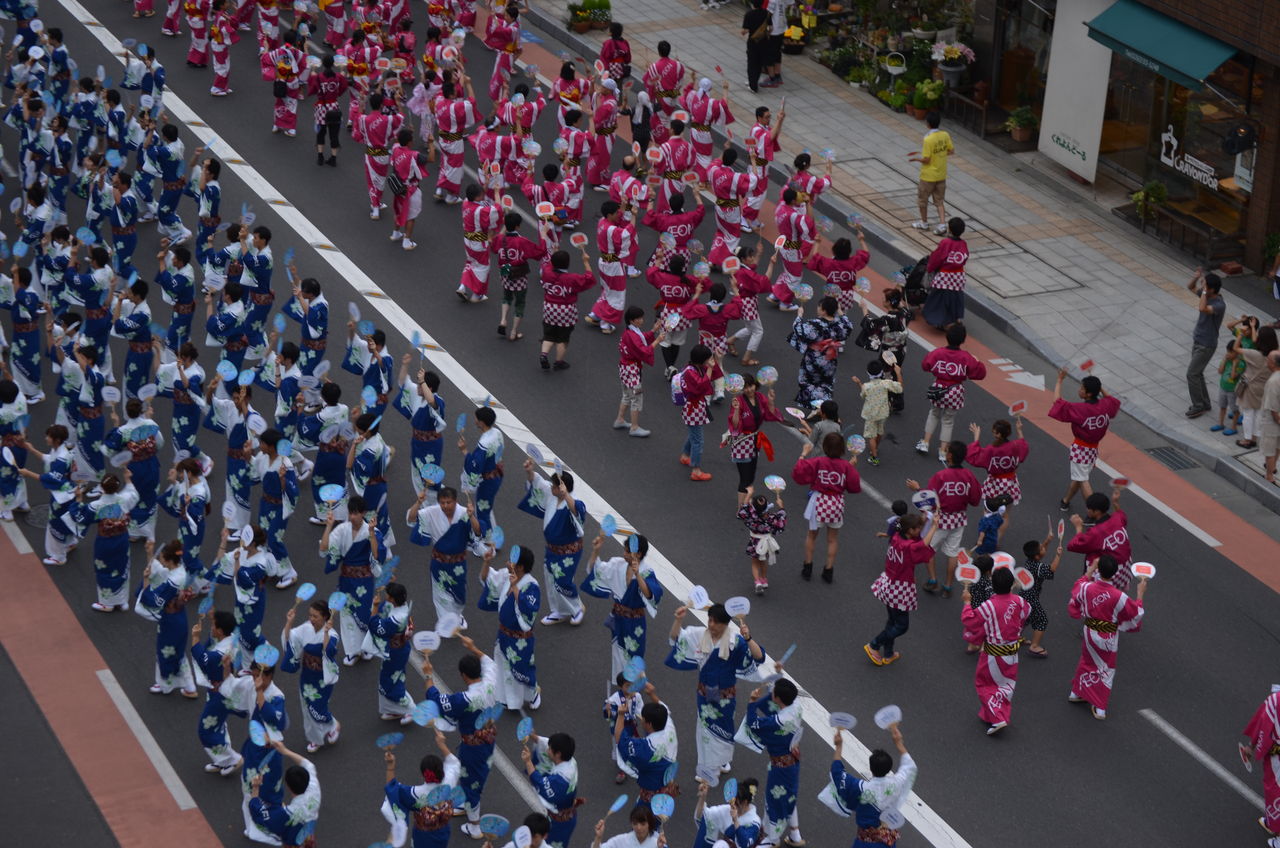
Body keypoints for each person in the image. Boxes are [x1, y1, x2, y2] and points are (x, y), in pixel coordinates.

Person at [666, 603, 765, 776]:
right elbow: (676, 638)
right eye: (710, 620)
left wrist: (748, 638)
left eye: (716, 622)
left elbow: (759, 657)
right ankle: (707, 766)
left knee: (724, 729)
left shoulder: (736, 642)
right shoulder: (699, 635)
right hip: (704, 695)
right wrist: (678, 620)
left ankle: (722, 760)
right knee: (704, 730)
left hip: (726, 696)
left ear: (725, 624)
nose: (711, 624)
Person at [420, 635, 499, 840]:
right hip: (488, 740)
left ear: (464, 675)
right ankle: (466, 804)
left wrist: (428, 675)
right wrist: (474, 647)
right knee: (470, 777)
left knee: (472, 782)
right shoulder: (490, 681)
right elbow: (488, 662)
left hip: (473, 748)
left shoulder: (465, 699)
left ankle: (474, 826)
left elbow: (436, 700)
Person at [1067, 554, 1149, 721]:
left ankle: (1076, 692)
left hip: (1089, 631)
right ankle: (1099, 707)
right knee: (1106, 670)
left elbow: (1077, 587)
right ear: (1115, 573)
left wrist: (1091, 568)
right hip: (1107, 637)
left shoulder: (1087, 588)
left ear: (1099, 569)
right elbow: (1135, 613)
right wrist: (1140, 595)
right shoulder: (1118, 596)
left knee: (1087, 660)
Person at [581, 532, 663, 680]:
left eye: (627, 551)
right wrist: (596, 550)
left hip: (635, 622)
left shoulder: (646, 571)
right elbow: (596, 571)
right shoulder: (617, 565)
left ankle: (633, 690)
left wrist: (637, 575)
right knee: (618, 653)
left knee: (634, 654)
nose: (623, 553)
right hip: (619, 618)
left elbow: (650, 594)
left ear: (638, 554)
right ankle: (622, 687)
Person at [960, 568, 1030, 735]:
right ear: (1012, 584)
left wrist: (967, 602)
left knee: (984, 683)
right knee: (1006, 684)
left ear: (993, 584)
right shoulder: (1020, 601)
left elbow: (970, 621)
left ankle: (997, 717)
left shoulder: (990, 605)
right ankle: (994, 713)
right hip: (1012, 652)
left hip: (993, 653)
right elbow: (1027, 612)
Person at [518, 462, 587, 627]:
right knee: (550, 578)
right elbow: (538, 484)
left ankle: (577, 608)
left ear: (563, 488)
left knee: (562, 579)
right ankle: (559, 610)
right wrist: (530, 471)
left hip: (569, 551)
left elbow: (578, 512)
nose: (551, 488)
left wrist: (566, 496)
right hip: (552, 549)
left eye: (555, 486)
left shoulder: (574, 501)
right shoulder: (552, 495)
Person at [907, 440, 979, 598]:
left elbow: (929, 500)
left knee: (928, 549)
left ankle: (933, 581)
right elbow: (975, 500)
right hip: (959, 520)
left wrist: (917, 488)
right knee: (952, 553)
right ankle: (947, 586)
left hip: (940, 520)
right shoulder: (969, 476)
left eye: (947, 451)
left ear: (951, 455)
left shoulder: (941, 476)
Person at [825, 723, 917, 846]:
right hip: (887, 841)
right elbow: (909, 767)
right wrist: (898, 743)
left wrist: (839, 746)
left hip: (865, 843)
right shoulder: (897, 783)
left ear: (871, 768)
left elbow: (837, 773)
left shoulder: (860, 788)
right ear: (889, 768)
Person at [865, 512, 937, 666]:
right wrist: (934, 527)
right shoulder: (908, 546)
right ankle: (874, 644)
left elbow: (917, 540)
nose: (919, 530)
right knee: (902, 625)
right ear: (909, 530)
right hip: (899, 587)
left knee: (892, 621)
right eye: (916, 528)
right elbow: (923, 544)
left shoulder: (897, 537)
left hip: (889, 582)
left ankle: (889, 653)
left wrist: (925, 521)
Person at [740, 678, 805, 846]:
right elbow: (778, 696)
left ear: (778, 699)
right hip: (792, 760)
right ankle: (794, 834)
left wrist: (752, 702)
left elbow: (753, 724)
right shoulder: (796, 707)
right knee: (788, 796)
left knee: (774, 801)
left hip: (780, 768)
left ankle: (771, 838)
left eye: (773, 693)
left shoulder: (780, 720)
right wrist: (776, 677)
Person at [478, 544, 542, 710]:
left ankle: (532, 693)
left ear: (520, 567)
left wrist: (514, 587)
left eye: (512, 561)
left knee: (521, 669)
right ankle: (508, 698)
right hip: (503, 634)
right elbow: (488, 581)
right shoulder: (507, 575)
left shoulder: (532, 586)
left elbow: (529, 609)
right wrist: (486, 563)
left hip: (520, 638)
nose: (507, 562)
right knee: (504, 668)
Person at [792, 431, 861, 583]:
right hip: (836, 503)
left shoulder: (818, 462)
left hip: (819, 501)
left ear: (825, 447)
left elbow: (799, 473)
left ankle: (808, 567)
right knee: (832, 539)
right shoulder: (845, 466)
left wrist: (803, 454)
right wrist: (851, 467)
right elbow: (854, 486)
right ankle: (828, 570)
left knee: (811, 535)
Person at [1048, 371, 1123, 511]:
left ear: (1088, 394)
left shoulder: (1080, 409)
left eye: (1082, 388)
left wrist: (1059, 380)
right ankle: (1065, 501)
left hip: (1080, 449)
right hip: (1093, 450)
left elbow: (1057, 402)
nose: (1079, 390)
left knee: (1082, 479)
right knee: (1079, 477)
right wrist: (1098, 386)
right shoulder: (1105, 405)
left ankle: (1094, 512)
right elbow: (1112, 400)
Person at [134, 539, 197, 697]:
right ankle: (190, 687)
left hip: (170, 622)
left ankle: (165, 685)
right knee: (179, 653)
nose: (160, 560)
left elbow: (155, 600)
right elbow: (162, 572)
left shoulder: (174, 581)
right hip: (180, 618)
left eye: (162, 558)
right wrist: (150, 553)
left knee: (165, 652)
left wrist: (147, 580)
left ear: (170, 560)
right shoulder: (180, 571)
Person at [380, 727, 462, 847]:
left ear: (424, 774)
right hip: (443, 833)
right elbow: (454, 763)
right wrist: (441, 744)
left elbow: (392, 789)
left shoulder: (416, 794)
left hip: (423, 838)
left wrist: (390, 765)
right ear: (441, 770)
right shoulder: (450, 782)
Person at [72, 470, 140, 612]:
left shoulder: (96, 505)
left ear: (102, 488)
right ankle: (122, 601)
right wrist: (128, 479)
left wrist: (78, 499)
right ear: (117, 487)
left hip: (105, 542)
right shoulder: (124, 499)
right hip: (122, 539)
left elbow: (79, 516)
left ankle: (107, 603)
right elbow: (134, 494)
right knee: (122, 567)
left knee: (104, 569)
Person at [280, 599, 341, 753]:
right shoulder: (306, 628)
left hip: (323, 678)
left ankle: (332, 724)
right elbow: (291, 640)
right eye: (310, 615)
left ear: (325, 617)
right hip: (308, 675)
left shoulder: (332, 634)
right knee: (307, 709)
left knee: (318, 707)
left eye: (315, 616)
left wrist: (326, 632)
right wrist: (289, 623)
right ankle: (316, 738)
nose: (311, 619)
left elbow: (329, 651)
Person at [191, 609, 242, 775]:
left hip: (220, 694)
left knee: (205, 729)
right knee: (218, 725)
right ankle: (222, 760)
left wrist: (195, 638)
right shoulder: (231, 641)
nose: (211, 628)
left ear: (220, 631)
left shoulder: (218, 654)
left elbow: (203, 658)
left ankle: (232, 759)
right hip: (225, 689)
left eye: (213, 625)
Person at [247, 739, 322, 848]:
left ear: (287, 785)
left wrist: (255, 787)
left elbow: (258, 812)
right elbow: (308, 764)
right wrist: (285, 751)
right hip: (308, 833)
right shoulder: (314, 787)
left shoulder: (286, 815)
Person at [613, 685, 678, 807]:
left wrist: (621, 715)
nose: (641, 720)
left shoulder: (644, 748)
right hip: (667, 779)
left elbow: (621, 740)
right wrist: (652, 694)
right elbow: (664, 708)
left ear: (648, 724)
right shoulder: (669, 726)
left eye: (642, 718)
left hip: (652, 791)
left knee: (647, 821)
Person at [965, 418, 1027, 539]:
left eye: (994, 432)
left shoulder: (991, 450)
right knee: (1005, 516)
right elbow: (1023, 447)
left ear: (998, 434)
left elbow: (975, 457)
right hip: (1011, 483)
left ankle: (985, 539)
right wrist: (1019, 430)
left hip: (994, 484)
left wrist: (976, 438)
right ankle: (996, 540)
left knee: (988, 512)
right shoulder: (1015, 446)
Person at [538, 246, 597, 371]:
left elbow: (548, 264)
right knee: (563, 337)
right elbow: (590, 279)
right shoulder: (572, 278)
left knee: (549, 334)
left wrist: (554, 253)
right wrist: (586, 262)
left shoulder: (546, 273)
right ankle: (559, 362)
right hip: (566, 310)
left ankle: (544, 355)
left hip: (549, 308)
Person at [788, 295, 854, 406]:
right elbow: (849, 326)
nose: (817, 308)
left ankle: (816, 406)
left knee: (809, 381)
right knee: (826, 382)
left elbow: (798, 329)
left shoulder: (814, 324)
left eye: (819, 307)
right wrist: (839, 310)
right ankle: (825, 404)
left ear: (823, 310)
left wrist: (799, 315)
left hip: (814, 358)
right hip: (830, 359)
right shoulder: (838, 324)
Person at [726, 373, 782, 504]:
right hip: (742, 441)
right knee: (745, 478)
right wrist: (735, 410)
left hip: (754, 440)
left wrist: (771, 400)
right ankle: (741, 509)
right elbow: (735, 425)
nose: (749, 389)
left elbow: (769, 414)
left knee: (751, 475)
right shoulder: (738, 401)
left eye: (750, 386)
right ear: (741, 389)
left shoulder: (760, 397)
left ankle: (746, 502)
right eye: (745, 387)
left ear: (754, 385)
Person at [523, 732, 583, 848]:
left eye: (550, 749)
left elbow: (540, 783)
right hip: (566, 816)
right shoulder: (570, 760)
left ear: (558, 754)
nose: (547, 750)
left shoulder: (561, 781)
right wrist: (533, 736)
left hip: (560, 824)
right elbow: (546, 744)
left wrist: (528, 761)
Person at [368, 581, 416, 724]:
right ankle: (393, 709)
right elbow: (387, 608)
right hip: (398, 649)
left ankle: (410, 709)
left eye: (388, 596)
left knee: (390, 681)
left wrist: (375, 607)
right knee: (393, 678)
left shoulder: (397, 619)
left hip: (396, 652)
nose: (386, 599)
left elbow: (376, 626)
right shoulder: (403, 607)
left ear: (394, 599)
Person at [614, 306, 664, 437]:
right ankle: (634, 427)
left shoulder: (629, 333)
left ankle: (620, 419)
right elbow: (644, 350)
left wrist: (653, 331)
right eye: (639, 318)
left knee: (626, 395)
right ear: (632, 320)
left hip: (624, 368)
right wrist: (658, 340)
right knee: (636, 398)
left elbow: (641, 340)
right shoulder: (633, 335)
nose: (642, 320)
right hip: (632, 371)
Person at [1241, 687, 1280, 847]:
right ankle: (1273, 822)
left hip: (1277, 756)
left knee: (1275, 791)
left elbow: (1263, 724)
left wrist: (1252, 746)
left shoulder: (1276, 700)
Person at [1184, 269, 1226, 419]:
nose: (1203, 287)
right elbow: (1190, 287)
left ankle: (1198, 406)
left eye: (1206, 285)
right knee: (1198, 373)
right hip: (1198, 340)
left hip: (1207, 344)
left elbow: (1202, 308)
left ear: (1212, 289)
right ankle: (1205, 403)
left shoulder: (1219, 304)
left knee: (1192, 374)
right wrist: (1195, 279)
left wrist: (1203, 292)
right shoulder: (1206, 294)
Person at [907, 112, 954, 235]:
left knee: (923, 200)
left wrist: (917, 159)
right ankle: (943, 224)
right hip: (941, 174)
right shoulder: (945, 135)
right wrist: (940, 155)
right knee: (939, 201)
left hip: (928, 176)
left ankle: (924, 223)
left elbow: (926, 159)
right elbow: (951, 151)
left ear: (927, 124)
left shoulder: (928, 139)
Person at [676, 344, 716, 482]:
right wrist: (710, 368)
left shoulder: (691, 368)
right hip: (694, 408)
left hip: (694, 406)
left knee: (694, 433)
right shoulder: (691, 372)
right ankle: (696, 470)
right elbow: (702, 385)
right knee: (698, 440)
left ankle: (686, 456)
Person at [851, 359, 903, 466]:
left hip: (870, 414)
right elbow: (900, 388)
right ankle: (875, 449)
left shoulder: (866, 386)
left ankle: (874, 457)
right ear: (882, 372)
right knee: (880, 432)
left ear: (868, 372)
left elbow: (863, 395)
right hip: (883, 412)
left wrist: (858, 383)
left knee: (871, 436)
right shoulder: (886, 383)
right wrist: (898, 372)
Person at [920, 217, 969, 329]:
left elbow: (937, 258)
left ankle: (942, 320)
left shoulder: (946, 242)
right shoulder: (963, 244)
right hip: (958, 275)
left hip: (945, 275)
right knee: (956, 297)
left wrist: (930, 267)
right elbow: (965, 259)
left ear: (950, 230)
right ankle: (956, 317)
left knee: (939, 298)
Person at [1022, 534, 1063, 658]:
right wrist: (1058, 555)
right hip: (1032, 598)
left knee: (1025, 618)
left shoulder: (1030, 561)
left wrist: (1047, 541)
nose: (1044, 547)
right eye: (1042, 548)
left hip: (1024, 594)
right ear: (1037, 556)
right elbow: (1052, 569)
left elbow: (1040, 551)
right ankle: (1034, 646)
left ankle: (1015, 636)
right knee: (1042, 620)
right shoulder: (1038, 567)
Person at [737, 489, 785, 595]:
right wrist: (781, 507)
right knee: (763, 561)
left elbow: (742, 513)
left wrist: (748, 495)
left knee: (755, 562)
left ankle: (757, 582)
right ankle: (764, 580)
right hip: (766, 544)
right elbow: (781, 521)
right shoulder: (772, 518)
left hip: (755, 542)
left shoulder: (752, 518)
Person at [693, 777, 761, 848]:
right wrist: (702, 797)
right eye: (731, 801)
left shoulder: (754, 821)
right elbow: (704, 817)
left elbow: (746, 843)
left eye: (736, 803)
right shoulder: (729, 809)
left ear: (745, 802)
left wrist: (736, 821)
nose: (732, 805)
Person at [1212, 339, 1245, 435]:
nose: (1228, 354)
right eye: (1228, 351)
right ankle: (1220, 423)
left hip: (1232, 390)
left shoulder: (1241, 364)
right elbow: (1220, 371)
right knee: (1222, 406)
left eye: (1231, 352)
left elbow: (1233, 376)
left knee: (1235, 409)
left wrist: (1234, 365)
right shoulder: (1227, 360)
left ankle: (1234, 427)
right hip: (1223, 387)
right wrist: (1224, 361)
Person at [589, 807, 661, 848]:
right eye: (635, 823)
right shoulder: (621, 840)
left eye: (643, 824)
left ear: (650, 823)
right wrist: (598, 837)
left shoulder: (657, 842)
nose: (638, 828)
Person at [762, 0, 793, 88]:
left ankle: (772, 79)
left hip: (773, 31)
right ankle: (777, 75)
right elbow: (790, 4)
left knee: (769, 55)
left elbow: (768, 14)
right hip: (781, 27)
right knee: (777, 52)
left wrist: (769, 26)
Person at [1261, 351, 1280, 483]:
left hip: (1273, 420)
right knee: (1278, 445)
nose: (1266, 361)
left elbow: (1272, 406)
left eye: (1267, 359)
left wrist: (1278, 420)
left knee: (1269, 449)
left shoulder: (1273, 381)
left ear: (1273, 363)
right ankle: (1273, 468)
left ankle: (1269, 475)